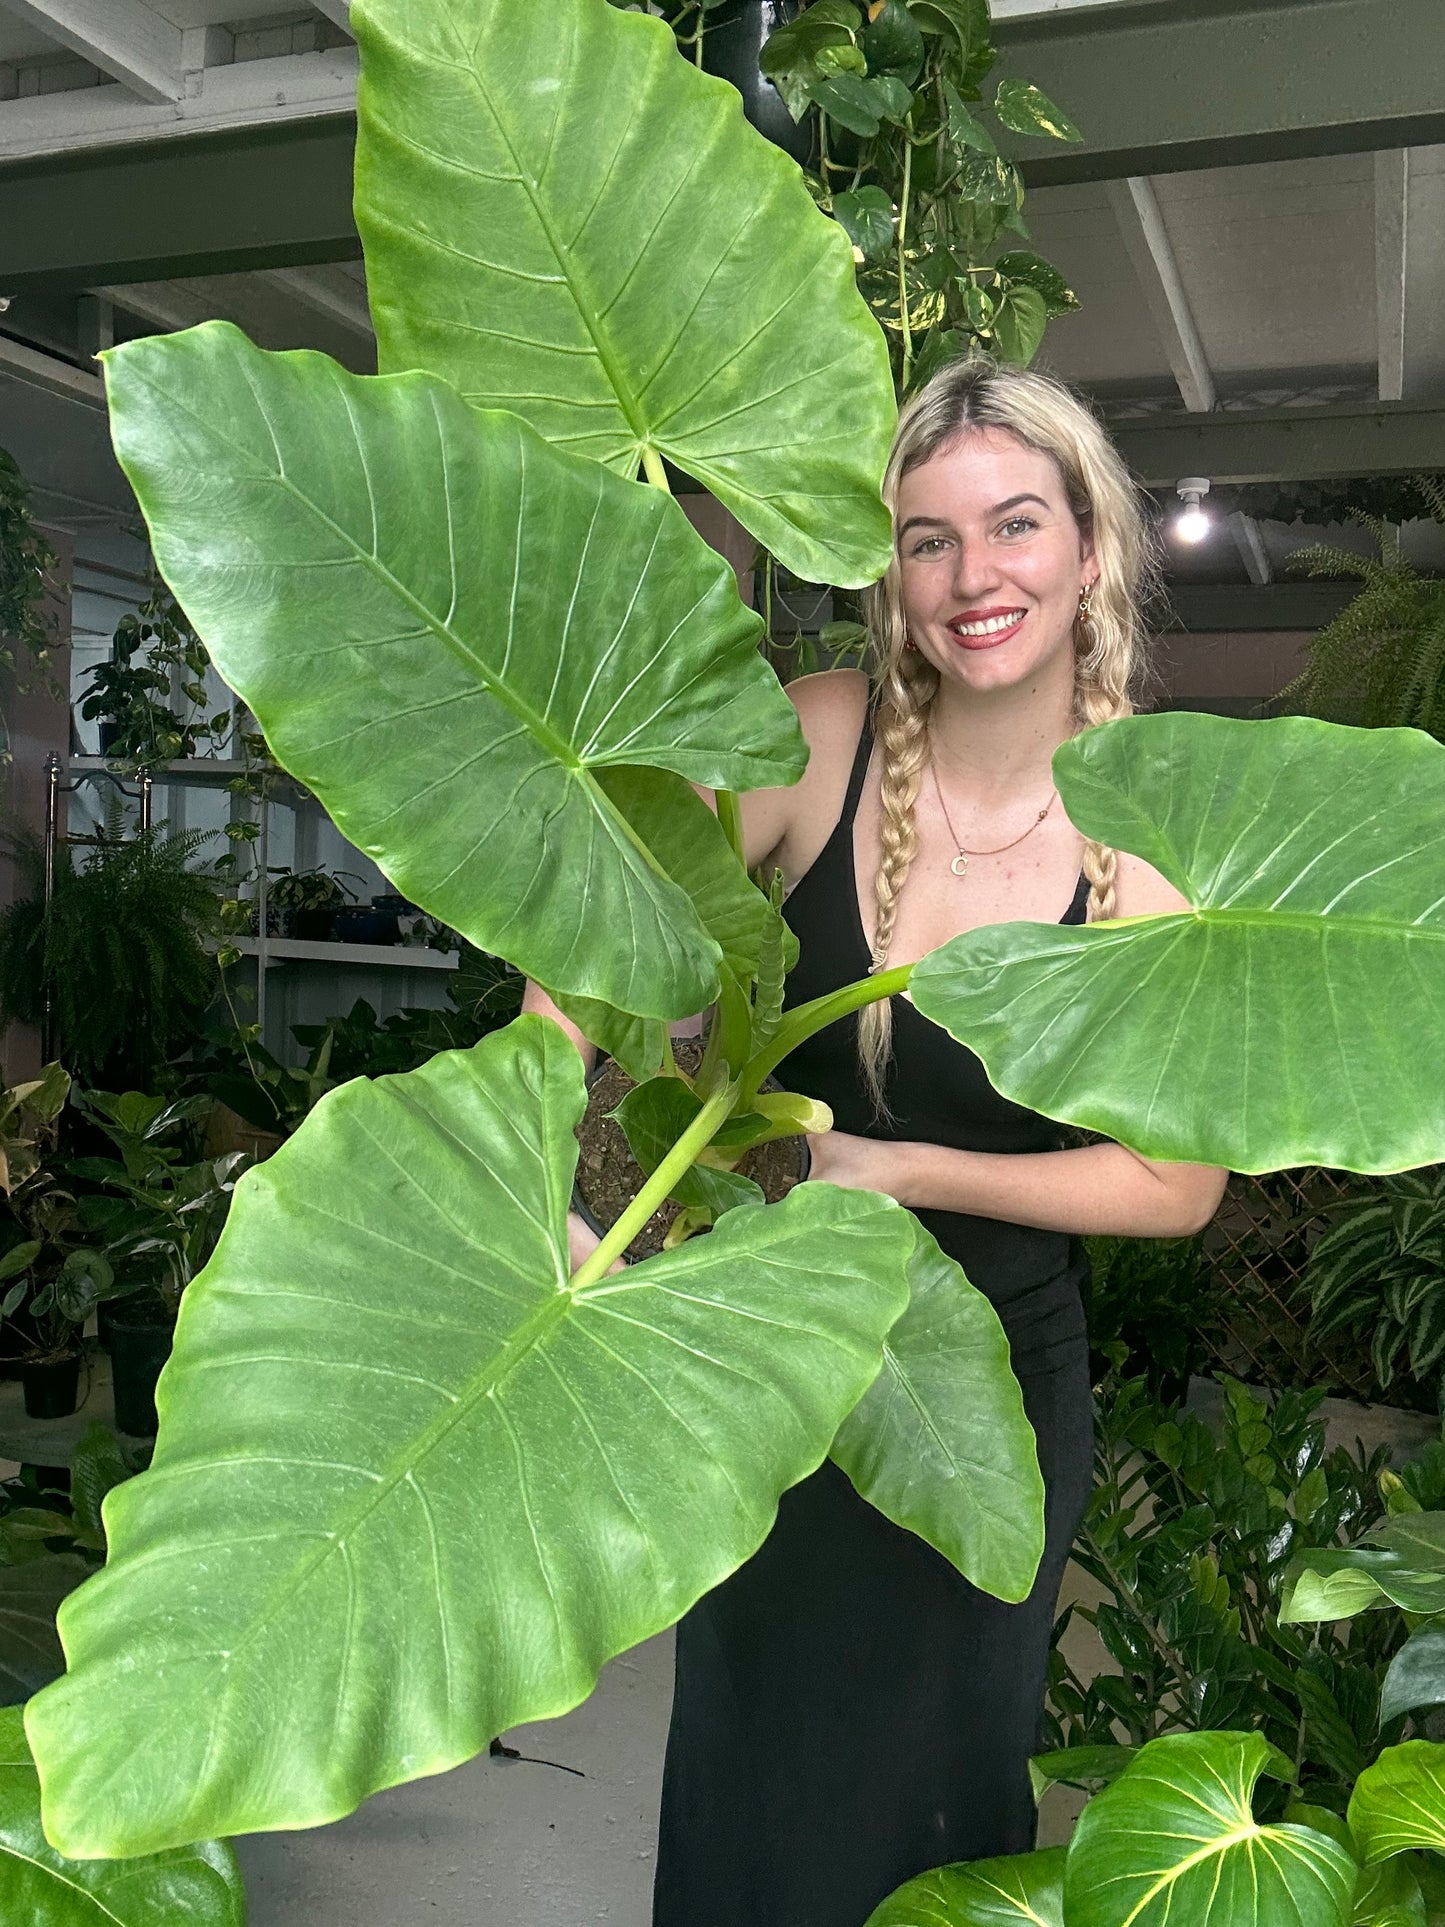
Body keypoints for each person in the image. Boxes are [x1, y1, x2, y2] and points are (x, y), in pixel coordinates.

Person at [525, 354, 1229, 1927]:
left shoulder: (1145, 845)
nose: (973, 577)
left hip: (976, 1390)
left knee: (933, 1798)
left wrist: (891, 1166)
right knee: (748, 1769)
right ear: (890, 573)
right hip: (776, 1365)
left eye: (1015, 525)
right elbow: (597, 935)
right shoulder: (816, 738)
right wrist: (574, 1166)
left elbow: (1174, 1186)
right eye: (927, 538)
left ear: (1091, 550)